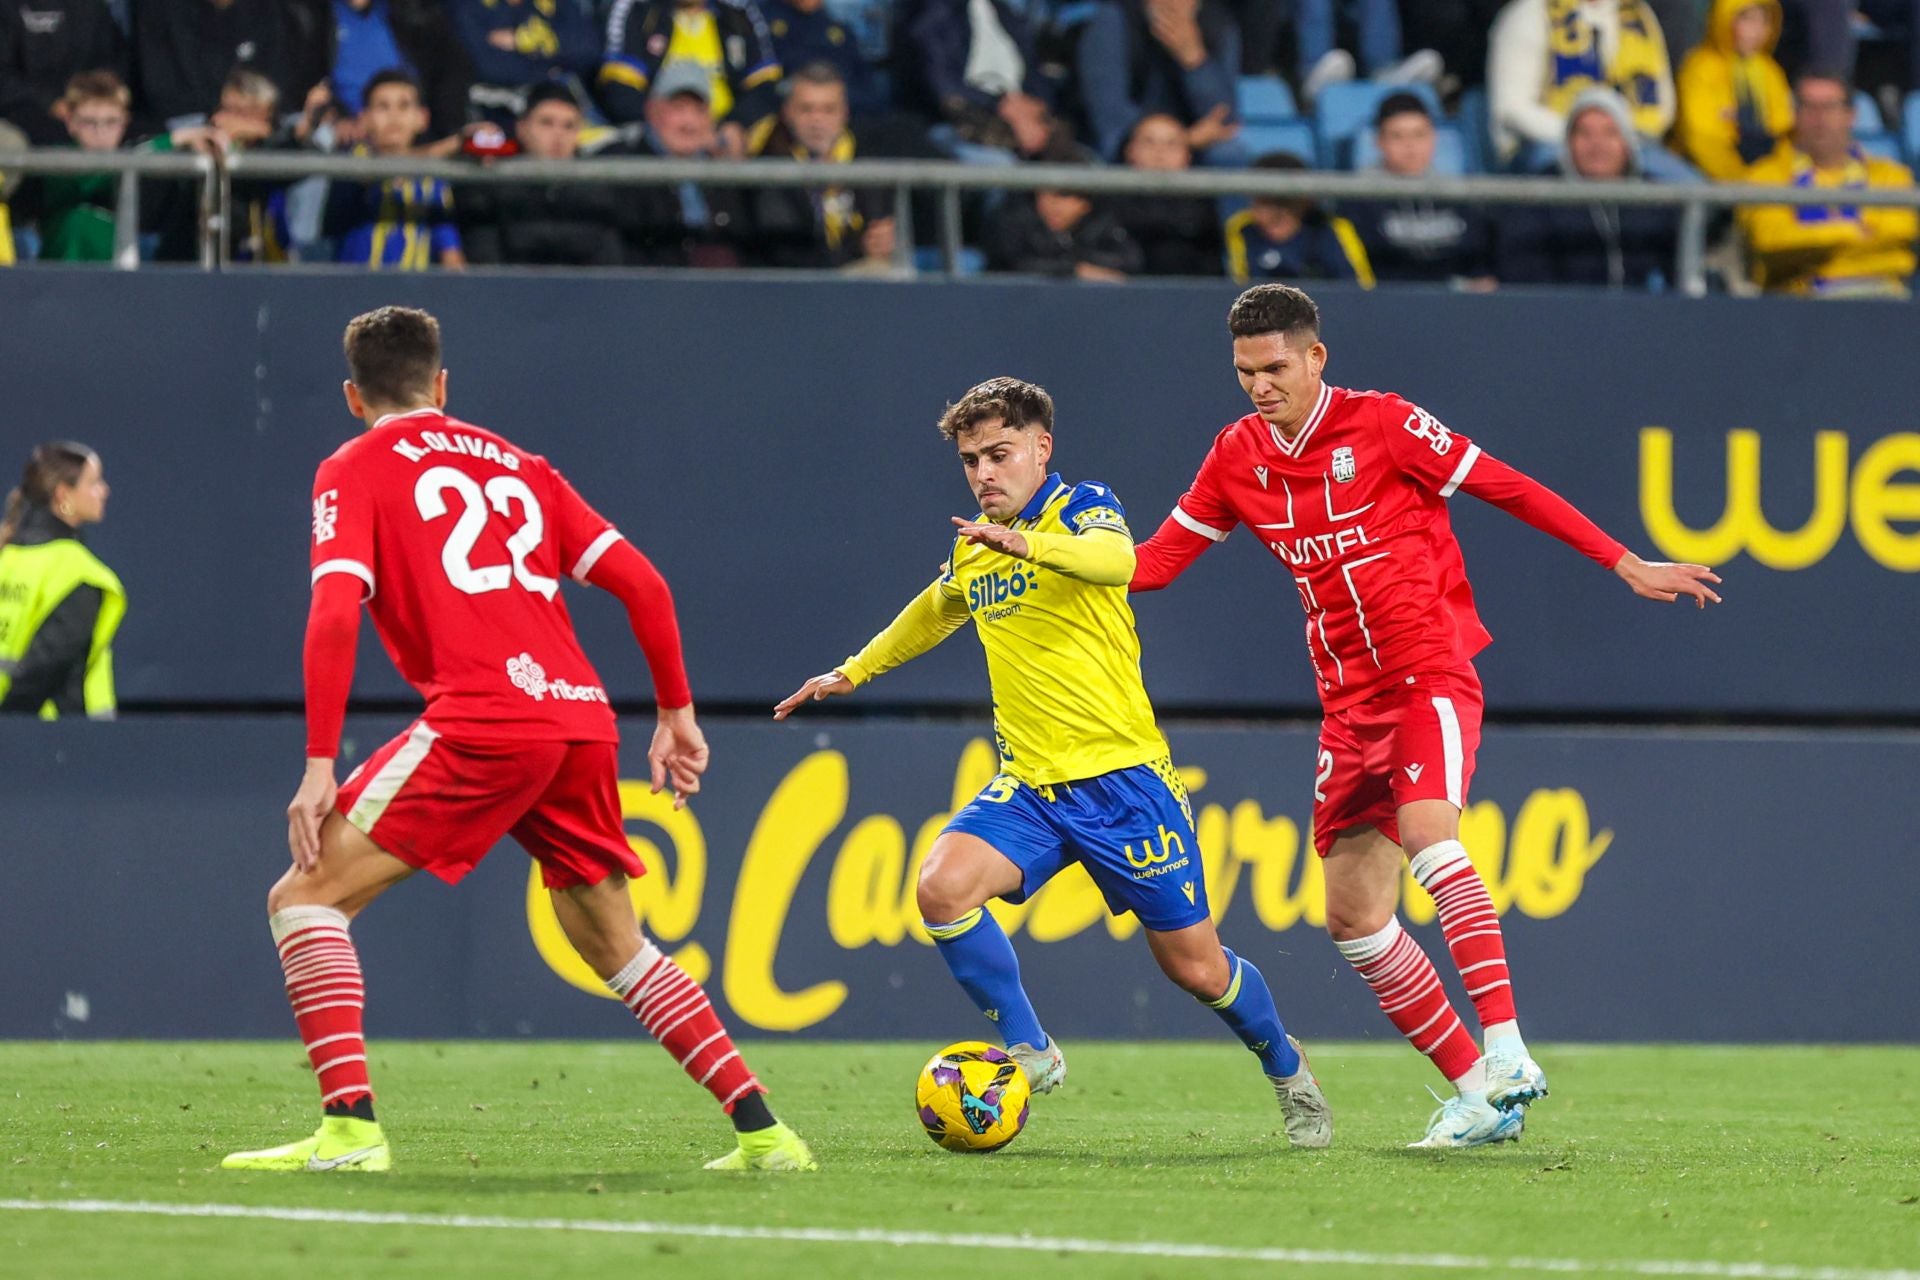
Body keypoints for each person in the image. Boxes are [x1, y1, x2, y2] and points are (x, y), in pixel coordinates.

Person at [222, 305, 817, 1175]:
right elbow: (645, 584)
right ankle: (766, 1134)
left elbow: (332, 610)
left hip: (483, 721)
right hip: (578, 719)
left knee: (303, 898)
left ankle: (350, 1131)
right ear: (444, 384)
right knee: (619, 946)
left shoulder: (352, 467)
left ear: (354, 396)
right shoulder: (522, 466)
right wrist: (677, 713)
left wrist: (320, 764)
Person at [1128, 283, 1721, 1147]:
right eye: (1245, 371)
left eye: (1275, 366)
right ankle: (1481, 1093)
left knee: (1431, 833)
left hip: (1427, 675)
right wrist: (1044, 549)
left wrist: (1623, 560)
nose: (1259, 384)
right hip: (1346, 707)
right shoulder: (1236, 457)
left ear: (1315, 356)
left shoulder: (1385, 424)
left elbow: (1505, 486)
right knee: (1354, 915)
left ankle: (1510, 1049)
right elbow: (1154, 564)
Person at [774, 376, 1333, 1150]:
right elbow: (938, 607)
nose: (983, 474)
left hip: (1125, 785)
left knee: (1198, 970)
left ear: (1042, 448)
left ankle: (1288, 1068)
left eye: (999, 454)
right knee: (941, 888)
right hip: (1033, 785)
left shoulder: (1082, 508)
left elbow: (1116, 561)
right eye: (970, 461)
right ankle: (1032, 1049)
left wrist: (1025, 542)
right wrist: (853, 670)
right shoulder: (974, 544)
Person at [1740, 71, 1917, 297]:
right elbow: (1771, 240)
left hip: (1880, 298)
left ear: (1850, 115)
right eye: (1809, 107)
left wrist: (1812, 242)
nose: (1819, 118)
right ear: (1795, 113)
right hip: (1797, 302)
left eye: (1829, 107)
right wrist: (1851, 230)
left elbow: (1901, 236)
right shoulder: (1765, 177)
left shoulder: (1890, 176)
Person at [1495, 88, 1681, 290]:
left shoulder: (1656, 200)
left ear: (1627, 143)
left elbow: (1679, 277)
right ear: (1568, 143)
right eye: (1584, 133)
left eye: (1609, 133)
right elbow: (1524, 278)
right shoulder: (1538, 197)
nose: (1597, 145)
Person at [1487, 0, 1687, 180]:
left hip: (1634, 144)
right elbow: (1511, 110)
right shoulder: (1527, 13)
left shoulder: (1638, 13)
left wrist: (1617, 139)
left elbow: (1663, 105)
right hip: (1545, 146)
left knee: (1689, 187)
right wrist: (1584, 136)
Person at [0, 441, 123, 719]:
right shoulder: (80, 573)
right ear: (63, 495)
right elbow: (45, 669)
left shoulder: (6, 559)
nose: (104, 490)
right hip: (61, 740)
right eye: (93, 482)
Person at [745, 61, 894, 271]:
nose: (817, 120)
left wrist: (886, 239)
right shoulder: (769, 162)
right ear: (787, 112)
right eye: (806, 109)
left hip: (856, 279)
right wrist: (860, 247)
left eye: (829, 110)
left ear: (845, 113)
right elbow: (785, 251)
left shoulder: (868, 157)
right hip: (792, 285)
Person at [460, 82, 628, 266]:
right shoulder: (493, 186)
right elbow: (485, 260)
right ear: (522, 128)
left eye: (569, 126)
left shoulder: (597, 190)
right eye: (546, 123)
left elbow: (610, 268)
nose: (558, 136)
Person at [1339, 92, 1496, 286]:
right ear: (1378, 142)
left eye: (1419, 134)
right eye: (1397, 136)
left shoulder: (1459, 196)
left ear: (1434, 138)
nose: (1410, 146)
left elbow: (1478, 265)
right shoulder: (1356, 199)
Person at [321, 69, 468, 269]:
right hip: (356, 293)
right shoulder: (353, 160)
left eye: (404, 105)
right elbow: (374, 172)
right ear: (364, 118)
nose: (394, 116)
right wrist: (451, 145)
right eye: (383, 106)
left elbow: (451, 254)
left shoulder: (432, 179)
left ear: (422, 118)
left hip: (415, 294)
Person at [600, 0, 785, 156]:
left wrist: (733, 124)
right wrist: (668, 132)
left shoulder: (739, 11)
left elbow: (765, 86)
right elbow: (620, 91)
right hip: (657, 138)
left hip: (725, 139)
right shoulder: (638, 8)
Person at [1076, 0, 1243, 164]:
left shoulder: (1219, 24)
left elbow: (1224, 119)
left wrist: (1194, 60)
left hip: (1191, 144)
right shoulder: (1112, 19)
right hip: (1129, 139)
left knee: (1229, 153)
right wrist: (1178, 141)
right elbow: (1109, 113)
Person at [623, 60, 748, 267]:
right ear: (652, 111)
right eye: (678, 108)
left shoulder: (726, 173)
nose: (689, 123)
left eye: (699, 110)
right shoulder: (625, 166)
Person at [983, 138, 1143, 280]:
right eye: (1046, 193)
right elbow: (1015, 264)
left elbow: (1129, 261)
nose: (1053, 204)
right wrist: (1075, 271)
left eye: (1064, 195)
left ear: (1085, 204)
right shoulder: (1015, 220)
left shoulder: (1102, 225)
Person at [1675, 0, 1791, 181]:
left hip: (1761, 176)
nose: (1756, 30)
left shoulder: (1771, 72)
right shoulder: (1700, 67)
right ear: (1725, 19)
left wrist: (1768, 175)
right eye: (1747, 20)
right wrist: (1737, 179)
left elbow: (1783, 130)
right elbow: (1700, 135)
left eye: (1764, 21)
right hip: (1707, 172)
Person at [133, 0, 294, 128]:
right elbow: (160, 87)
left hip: (259, 123)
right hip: (187, 125)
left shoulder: (268, 10)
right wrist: (217, 120)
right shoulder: (160, 9)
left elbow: (278, 82)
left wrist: (252, 122)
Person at [1224, 151, 1373, 286]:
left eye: (1277, 202)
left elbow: (1360, 290)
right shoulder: (1243, 227)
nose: (1256, 207)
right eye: (1259, 200)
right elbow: (1239, 290)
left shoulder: (1334, 228)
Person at [1109, 112, 1223, 277]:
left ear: (1187, 155)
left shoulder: (1208, 202)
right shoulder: (1107, 200)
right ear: (1130, 150)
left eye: (1172, 144)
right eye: (1149, 142)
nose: (1160, 152)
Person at [0, 0, 125, 146]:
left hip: (87, 104)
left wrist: (89, 99)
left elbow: (109, 63)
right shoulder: (7, 6)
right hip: (20, 110)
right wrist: (51, 102)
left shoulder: (91, 7)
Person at [761, 0, 884, 118]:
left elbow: (869, 92)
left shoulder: (841, 32)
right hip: (781, 119)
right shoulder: (761, 27)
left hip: (849, 119)